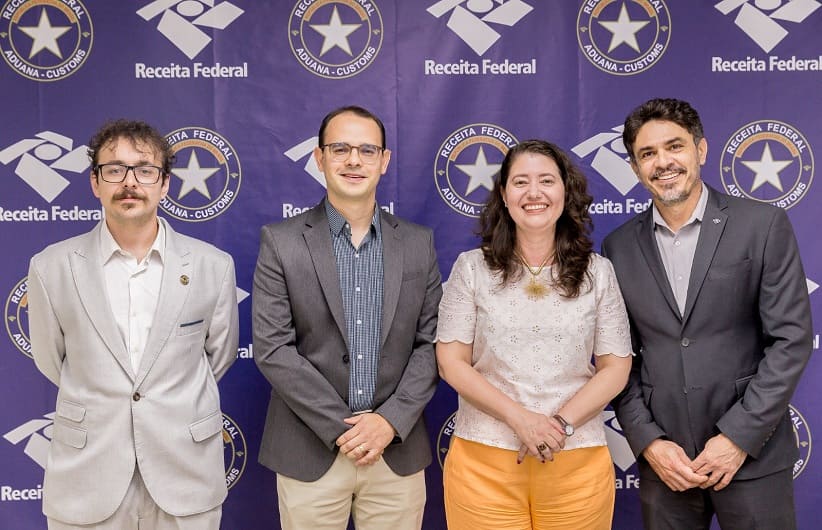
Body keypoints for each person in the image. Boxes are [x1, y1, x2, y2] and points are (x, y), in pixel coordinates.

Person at [602, 98, 813, 530]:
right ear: (635, 168)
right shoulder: (617, 247)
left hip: (752, 457)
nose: (663, 162)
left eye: (674, 146)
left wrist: (737, 437)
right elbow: (619, 358)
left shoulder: (762, 224)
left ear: (700, 150)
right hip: (667, 467)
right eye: (647, 153)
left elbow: (790, 340)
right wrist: (649, 442)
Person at [27, 119, 239, 529]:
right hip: (88, 476)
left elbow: (219, 356)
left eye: (145, 170)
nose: (130, 182)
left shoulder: (212, 266)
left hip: (185, 472)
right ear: (95, 182)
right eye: (114, 170)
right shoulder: (51, 267)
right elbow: (51, 360)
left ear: (164, 184)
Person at [252, 105, 442, 530]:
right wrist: (346, 429)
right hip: (310, 451)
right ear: (319, 159)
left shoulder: (417, 243)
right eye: (340, 149)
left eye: (366, 150)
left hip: (395, 450)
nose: (353, 160)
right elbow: (273, 348)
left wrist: (388, 422)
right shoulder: (281, 242)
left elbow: (431, 344)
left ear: (384, 160)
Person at [436, 139, 632, 529]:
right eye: (520, 182)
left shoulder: (598, 272)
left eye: (546, 180)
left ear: (565, 192)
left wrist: (558, 425)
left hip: (576, 462)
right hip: (483, 462)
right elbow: (451, 363)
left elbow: (615, 367)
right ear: (504, 196)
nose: (534, 193)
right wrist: (521, 420)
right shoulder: (472, 268)